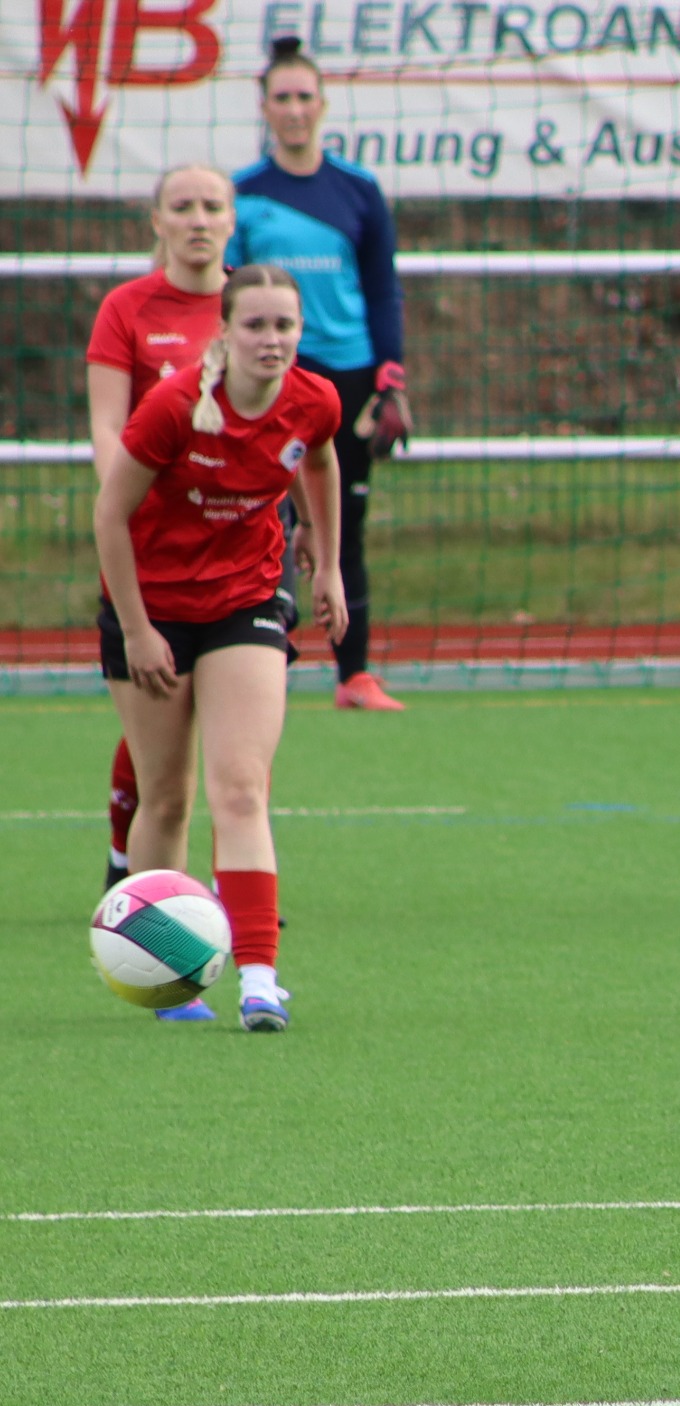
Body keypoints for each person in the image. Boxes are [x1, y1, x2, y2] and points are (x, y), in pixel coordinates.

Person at [94, 264, 347, 1033]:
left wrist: (326, 558)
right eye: (256, 325)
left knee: (240, 788)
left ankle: (261, 981)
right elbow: (110, 515)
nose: (272, 340)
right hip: (153, 607)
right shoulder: (174, 408)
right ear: (226, 332)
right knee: (167, 795)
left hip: (246, 597)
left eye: (285, 326)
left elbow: (320, 459)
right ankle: (169, 977)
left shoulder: (315, 400)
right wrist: (137, 629)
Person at [228, 36, 408, 711]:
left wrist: (391, 377)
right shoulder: (243, 194)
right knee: (263, 519)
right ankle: (258, 666)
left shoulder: (358, 190)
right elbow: (228, 291)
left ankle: (353, 675)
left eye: (305, 96)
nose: (295, 109)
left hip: (347, 379)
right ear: (265, 107)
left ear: (323, 104)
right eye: (283, 97)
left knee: (341, 523)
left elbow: (382, 288)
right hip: (269, 380)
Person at [86, 165, 232, 944]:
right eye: (183, 206)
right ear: (157, 221)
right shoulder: (127, 309)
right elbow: (108, 427)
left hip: (238, 554)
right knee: (161, 747)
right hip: (152, 553)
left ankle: (235, 888)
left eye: (212, 205)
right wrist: (132, 503)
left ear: (232, 220)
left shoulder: (253, 307)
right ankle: (136, 880)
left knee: (238, 752)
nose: (198, 219)